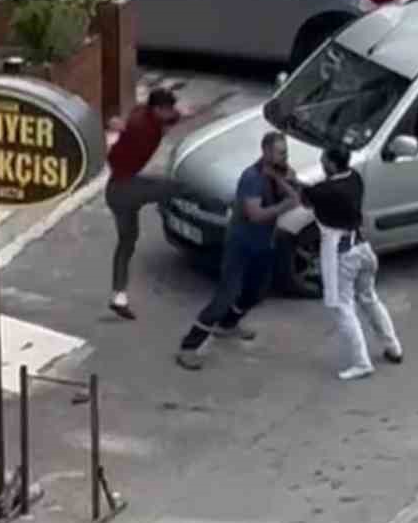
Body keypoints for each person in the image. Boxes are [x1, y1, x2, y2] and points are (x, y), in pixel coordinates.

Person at [176, 131, 299, 369]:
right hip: (241, 245)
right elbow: (255, 214)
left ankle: (228, 325)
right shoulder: (251, 178)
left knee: (257, 291)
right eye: (281, 153)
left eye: (286, 152)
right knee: (226, 296)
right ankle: (189, 346)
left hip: (263, 245)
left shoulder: (280, 172)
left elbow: (295, 192)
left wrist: (284, 181)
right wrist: (284, 205)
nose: (285, 157)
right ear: (265, 152)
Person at [106, 86, 221, 320]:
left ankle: (118, 295)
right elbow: (115, 153)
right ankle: (222, 206)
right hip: (128, 189)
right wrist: (119, 130)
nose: (171, 113)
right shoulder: (141, 128)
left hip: (117, 190)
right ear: (157, 109)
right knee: (178, 188)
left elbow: (171, 117)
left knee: (127, 242)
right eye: (167, 109)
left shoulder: (143, 113)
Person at [301, 144, 402, 382]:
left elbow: (304, 199)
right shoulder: (355, 179)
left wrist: (286, 179)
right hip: (364, 249)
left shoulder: (326, 191)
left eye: (324, 160)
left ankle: (361, 362)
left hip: (343, 255)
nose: (322, 164)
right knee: (369, 298)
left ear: (333, 164)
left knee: (343, 307)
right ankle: (393, 346)